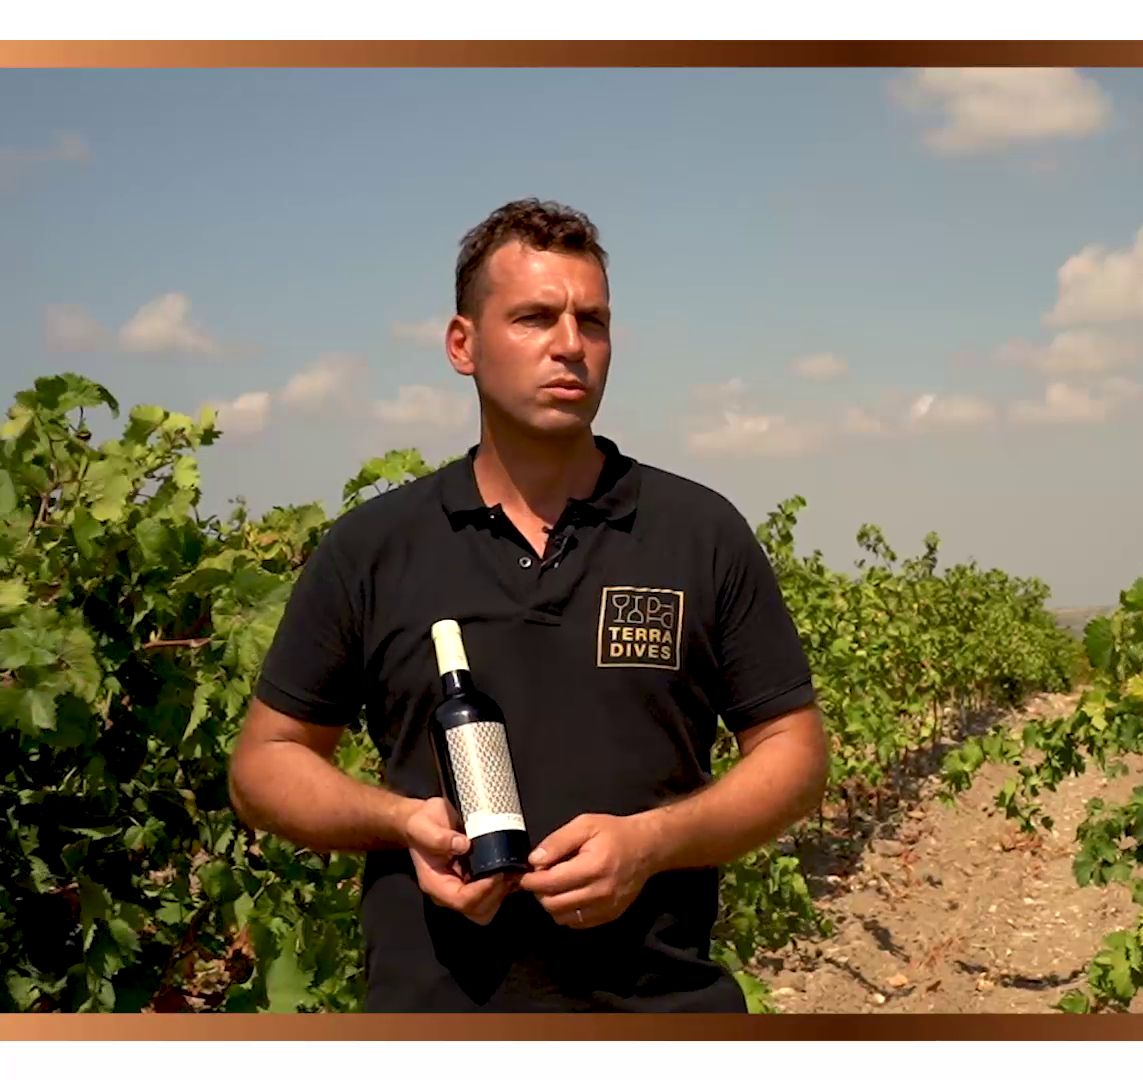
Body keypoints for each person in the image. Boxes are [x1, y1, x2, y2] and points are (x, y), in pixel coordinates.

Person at [227, 197, 829, 1012]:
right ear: (462, 344)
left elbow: (795, 754)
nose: (571, 344)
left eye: (593, 321)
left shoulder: (698, 532)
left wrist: (651, 843)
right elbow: (264, 766)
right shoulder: (375, 546)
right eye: (535, 318)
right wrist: (403, 823)